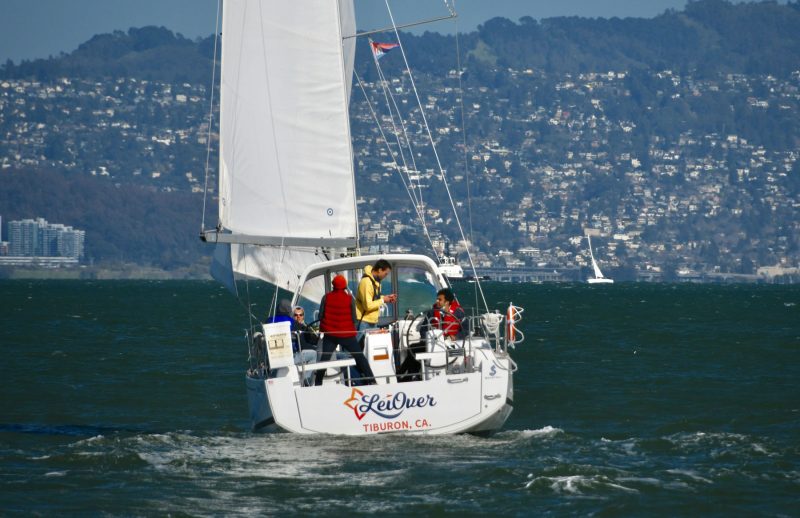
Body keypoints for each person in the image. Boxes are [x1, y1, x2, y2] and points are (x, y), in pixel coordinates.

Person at [315, 275, 375, 386]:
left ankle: (318, 383)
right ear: (344, 286)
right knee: (359, 356)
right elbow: (354, 318)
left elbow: (320, 316)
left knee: (324, 358)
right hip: (347, 335)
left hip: (330, 335)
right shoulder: (349, 299)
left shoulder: (326, 297)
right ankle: (371, 380)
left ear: (333, 285)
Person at [397, 288, 466, 381]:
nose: (437, 301)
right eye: (437, 299)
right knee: (413, 348)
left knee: (414, 349)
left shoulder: (458, 312)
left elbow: (466, 329)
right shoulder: (432, 311)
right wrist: (427, 339)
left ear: (447, 302)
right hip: (434, 342)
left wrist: (456, 337)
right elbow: (423, 328)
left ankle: (405, 374)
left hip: (451, 344)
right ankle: (410, 374)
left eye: (440, 299)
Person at [355, 259, 397, 340]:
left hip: (372, 321)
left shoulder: (375, 282)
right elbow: (368, 306)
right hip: (363, 321)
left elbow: (374, 298)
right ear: (380, 270)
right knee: (353, 349)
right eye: (385, 274)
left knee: (370, 349)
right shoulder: (366, 282)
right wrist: (383, 300)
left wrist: (387, 298)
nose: (385, 276)